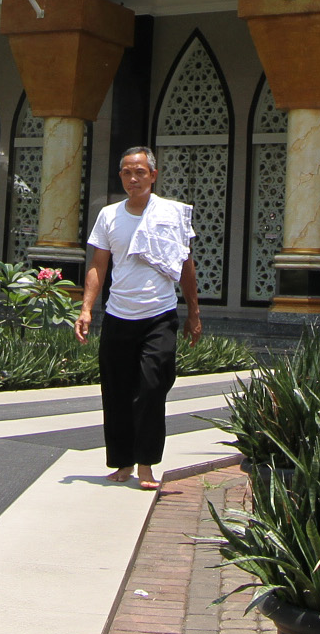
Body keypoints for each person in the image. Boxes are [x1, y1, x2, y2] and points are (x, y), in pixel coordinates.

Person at [75, 147, 202, 491]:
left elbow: (184, 264)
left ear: (153, 175)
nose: (134, 179)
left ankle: (146, 463)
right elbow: (98, 266)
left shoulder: (172, 214)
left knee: (151, 387)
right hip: (118, 315)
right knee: (116, 392)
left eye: (140, 172)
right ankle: (122, 462)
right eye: (127, 173)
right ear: (121, 177)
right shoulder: (109, 216)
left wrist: (193, 310)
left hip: (158, 316)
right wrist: (87, 308)